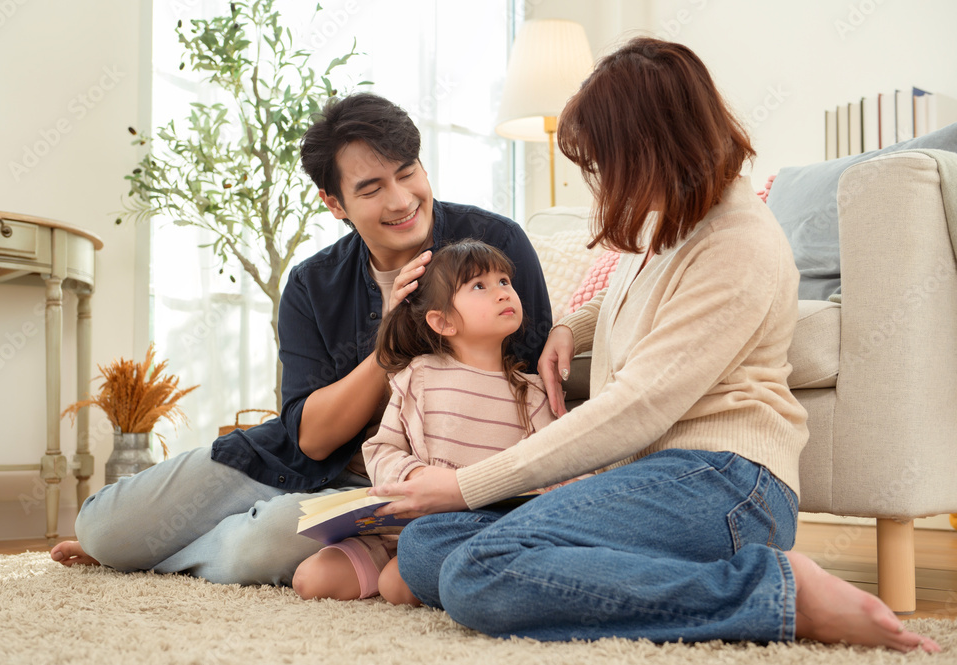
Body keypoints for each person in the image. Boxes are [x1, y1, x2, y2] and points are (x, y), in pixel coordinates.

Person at [368, 38, 941, 653]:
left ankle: (775, 593)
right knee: (429, 546)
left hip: (727, 482)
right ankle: (663, 577)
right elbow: (635, 299)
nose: (599, 179)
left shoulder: (738, 243)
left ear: (649, 147)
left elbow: (637, 407)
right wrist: (570, 329)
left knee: (476, 572)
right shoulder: (667, 221)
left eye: (604, 161)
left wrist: (464, 486)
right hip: (656, 478)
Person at [49, 93, 552, 586]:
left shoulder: (496, 246)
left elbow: (530, 383)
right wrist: (387, 346)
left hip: (389, 485)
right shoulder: (313, 283)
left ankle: (155, 558)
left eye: (407, 173)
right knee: (103, 528)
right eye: (371, 188)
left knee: (260, 543)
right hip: (292, 460)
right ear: (334, 203)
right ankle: (130, 549)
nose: (401, 201)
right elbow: (311, 439)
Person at [293, 240, 557, 605]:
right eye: (479, 286)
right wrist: (414, 476)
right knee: (309, 579)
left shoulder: (532, 393)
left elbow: (558, 461)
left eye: (504, 282)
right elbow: (382, 449)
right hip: (399, 525)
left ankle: (417, 569)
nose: (502, 293)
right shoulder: (418, 375)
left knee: (396, 584)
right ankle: (397, 563)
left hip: (473, 530)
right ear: (442, 321)